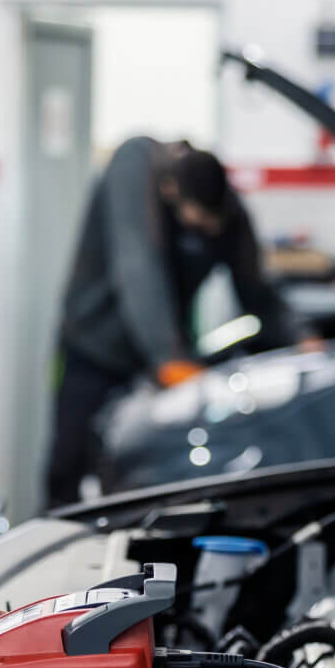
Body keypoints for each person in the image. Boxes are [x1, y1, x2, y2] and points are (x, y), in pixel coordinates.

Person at [45, 137, 297, 506]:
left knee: (141, 475)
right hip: (92, 351)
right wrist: (170, 360)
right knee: (66, 468)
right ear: (170, 191)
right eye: (196, 223)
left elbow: (255, 288)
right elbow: (138, 267)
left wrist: (299, 336)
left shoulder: (223, 207)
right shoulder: (134, 167)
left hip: (151, 365)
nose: (206, 232)